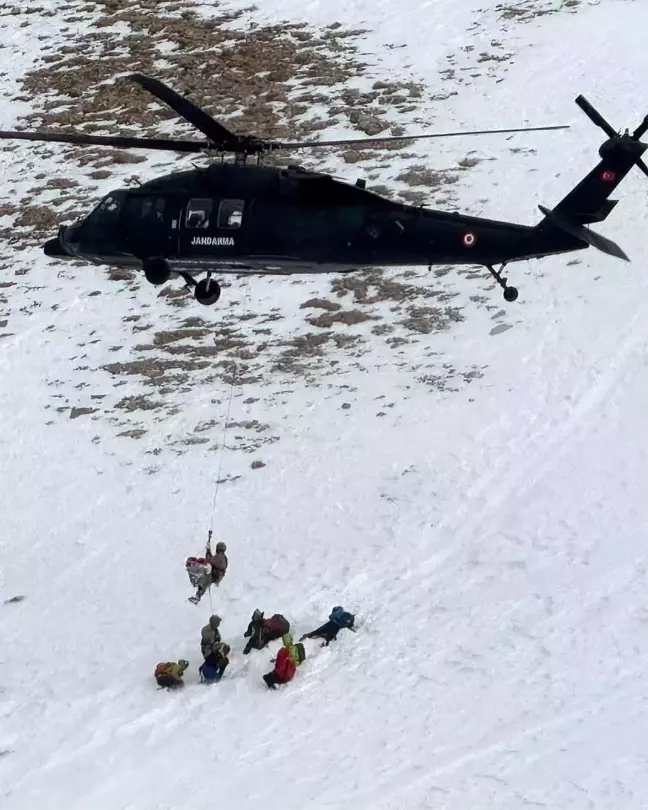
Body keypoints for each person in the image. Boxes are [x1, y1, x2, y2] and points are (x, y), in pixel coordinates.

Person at [187, 534, 228, 604]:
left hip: (215, 575)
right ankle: (198, 595)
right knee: (205, 577)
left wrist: (208, 550)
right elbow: (211, 560)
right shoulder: (222, 557)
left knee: (205, 578)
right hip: (216, 575)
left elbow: (210, 560)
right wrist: (208, 550)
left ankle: (197, 595)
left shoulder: (220, 556)